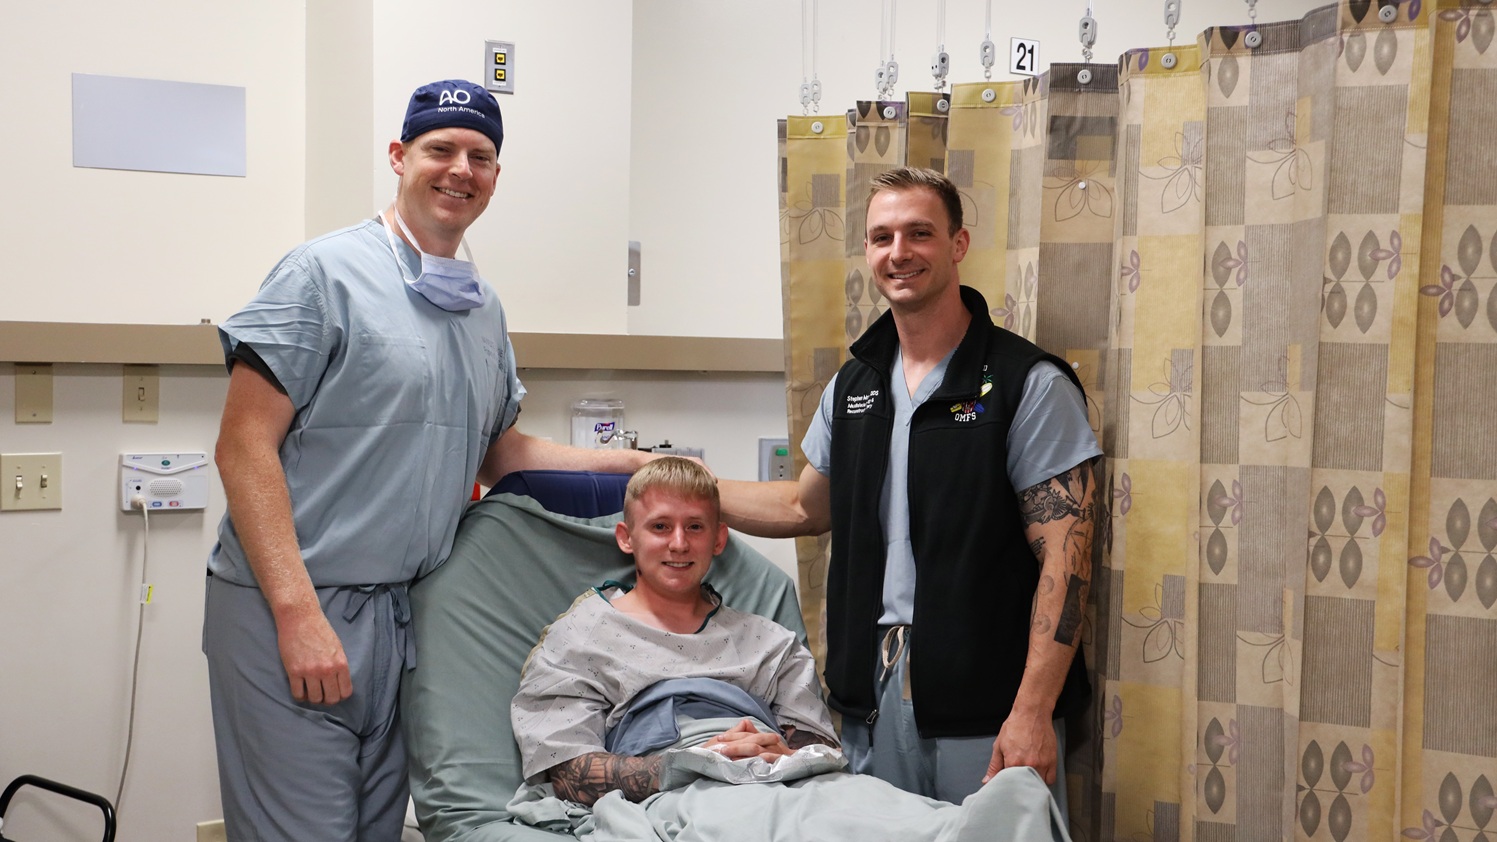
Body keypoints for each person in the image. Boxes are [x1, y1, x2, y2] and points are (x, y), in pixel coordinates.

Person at [204, 79, 660, 842]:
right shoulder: (321, 275)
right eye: (439, 149)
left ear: (495, 176)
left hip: (405, 612)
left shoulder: (481, 307)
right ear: (398, 157)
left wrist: (626, 467)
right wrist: (296, 613)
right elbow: (242, 444)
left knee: (378, 828)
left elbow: (500, 449)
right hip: (295, 598)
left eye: (479, 155)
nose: (459, 169)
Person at [718, 166, 1103, 808]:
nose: (899, 253)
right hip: (870, 698)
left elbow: (1069, 562)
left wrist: (1033, 711)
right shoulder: (856, 386)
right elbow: (802, 506)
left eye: (919, 233)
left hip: (987, 709)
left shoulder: (1024, 384)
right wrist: (669, 481)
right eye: (881, 237)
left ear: (958, 244)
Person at [510, 457, 840, 806]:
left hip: (783, 789)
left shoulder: (772, 645)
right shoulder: (578, 639)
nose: (679, 544)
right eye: (661, 527)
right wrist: (697, 763)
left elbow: (823, 752)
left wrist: (784, 756)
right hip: (675, 800)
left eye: (695, 527)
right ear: (626, 538)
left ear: (718, 539)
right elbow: (568, 775)